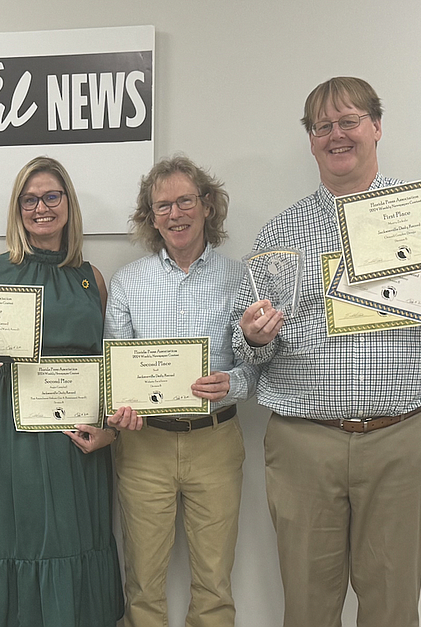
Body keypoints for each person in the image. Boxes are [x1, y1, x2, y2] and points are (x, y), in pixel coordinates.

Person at [232, 77, 421, 627]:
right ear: (310, 141)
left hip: (402, 439)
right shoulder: (282, 230)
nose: (336, 135)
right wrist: (254, 338)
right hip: (304, 445)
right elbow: (249, 349)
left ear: (376, 126)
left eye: (348, 121)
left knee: (394, 606)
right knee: (306, 605)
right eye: (322, 126)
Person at [0, 156, 124, 627]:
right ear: (18, 209)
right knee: (17, 539)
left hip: (76, 438)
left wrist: (110, 431)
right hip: (10, 436)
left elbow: (107, 367)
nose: (41, 207)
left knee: (76, 536)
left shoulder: (92, 277)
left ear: (68, 204)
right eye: (30, 200)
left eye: (51, 196)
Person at [104, 155, 257, 627]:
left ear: (207, 205)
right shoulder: (129, 282)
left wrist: (232, 383)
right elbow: (115, 372)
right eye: (162, 206)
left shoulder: (240, 278)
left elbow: (254, 364)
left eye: (185, 201)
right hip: (144, 445)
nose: (175, 214)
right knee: (143, 582)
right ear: (151, 217)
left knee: (214, 582)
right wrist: (117, 408)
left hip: (215, 440)